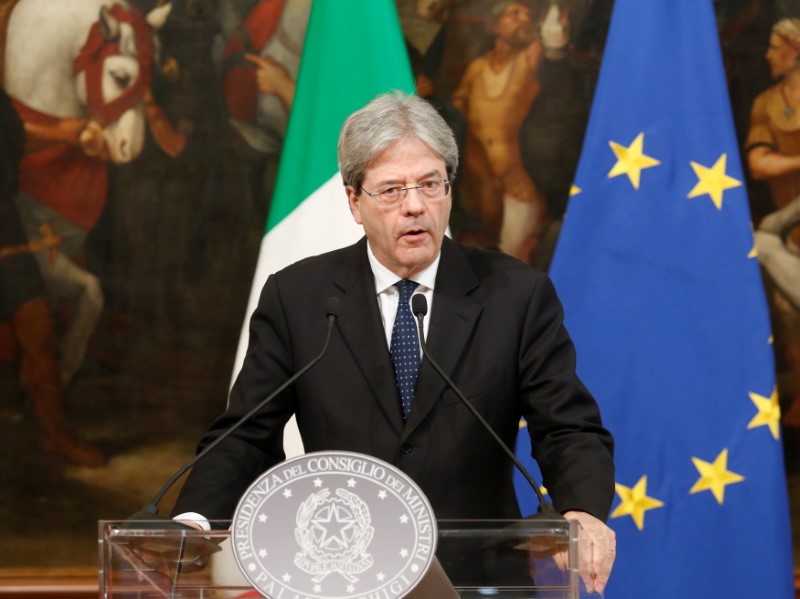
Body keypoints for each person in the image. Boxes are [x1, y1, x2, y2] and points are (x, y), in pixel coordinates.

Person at [172, 91, 615, 592]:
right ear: (354, 202)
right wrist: (194, 519)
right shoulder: (298, 298)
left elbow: (567, 426)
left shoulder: (515, 294)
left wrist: (581, 507)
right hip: (342, 578)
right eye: (391, 190)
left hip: (481, 581)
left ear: (449, 190)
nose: (414, 206)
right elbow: (247, 433)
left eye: (430, 184)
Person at [451, 0, 549, 263]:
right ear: (494, 25)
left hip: (518, 178)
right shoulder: (477, 69)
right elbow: (459, 108)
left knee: (516, 256)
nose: (524, 18)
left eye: (528, 14)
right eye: (514, 13)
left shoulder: (530, 57)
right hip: (480, 180)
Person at [746, 18, 800, 425]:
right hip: (791, 238)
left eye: (774, 47)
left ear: (795, 50)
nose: (768, 55)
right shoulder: (766, 102)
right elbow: (758, 162)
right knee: (787, 316)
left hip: (781, 233)